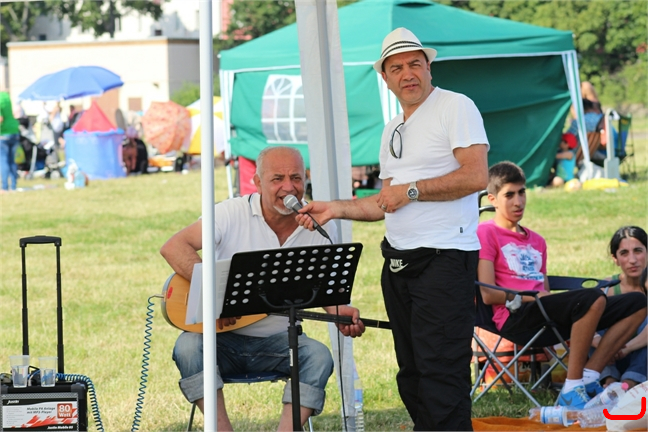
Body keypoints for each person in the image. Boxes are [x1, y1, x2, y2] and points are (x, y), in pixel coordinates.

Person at [296, 27, 489, 431]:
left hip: (444, 258)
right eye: (396, 68)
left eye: (415, 64)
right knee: (412, 373)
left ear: (429, 67)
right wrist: (334, 208)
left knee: (441, 371)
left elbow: (475, 177)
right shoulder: (391, 128)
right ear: (385, 78)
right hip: (398, 262)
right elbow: (386, 201)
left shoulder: (456, 106)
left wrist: (412, 190)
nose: (407, 74)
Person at [160, 146, 366, 431]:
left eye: (296, 178)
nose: (288, 187)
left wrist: (339, 311)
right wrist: (218, 299)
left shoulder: (315, 226)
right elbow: (174, 246)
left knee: (318, 356)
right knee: (188, 347)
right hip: (222, 341)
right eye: (277, 178)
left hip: (281, 343)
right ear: (257, 182)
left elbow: (319, 287)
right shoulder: (230, 213)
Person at [476, 161, 646, 409]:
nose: (518, 202)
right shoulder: (486, 232)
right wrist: (535, 298)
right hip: (515, 316)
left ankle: (589, 377)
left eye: (522, 192)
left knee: (638, 302)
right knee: (591, 297)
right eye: (509, 195)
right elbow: (488, 293)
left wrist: (543, 297)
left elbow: (543, 286)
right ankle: (572, 386)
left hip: (545, 315)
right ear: (492, 199)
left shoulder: (537, 241)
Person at [592, 227, 647, 389]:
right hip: (608, 359)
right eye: (624, 253)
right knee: (590, 322)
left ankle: (629, 383)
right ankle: (608, 381)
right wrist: (602, 345)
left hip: (641, 359)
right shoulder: (606, 288)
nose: (632, 260)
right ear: (615, 259)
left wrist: (624, 348)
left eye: (638, 251)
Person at [0, 91, 21, 192]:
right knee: (12, 160)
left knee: (3, 160)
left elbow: (0, 118)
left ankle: (4, 187)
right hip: (14, 130)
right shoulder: (5, 96)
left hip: (4, 133)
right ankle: (13, 186)